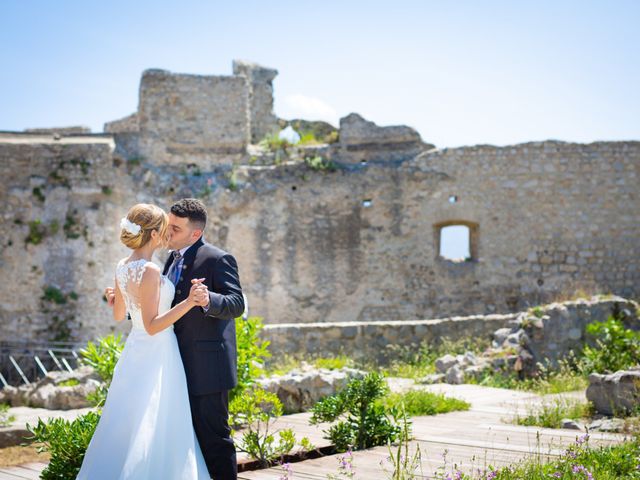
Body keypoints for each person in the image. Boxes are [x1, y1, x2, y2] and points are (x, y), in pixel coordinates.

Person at [77, 203, 211, 479]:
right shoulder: (150, 269)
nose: (167, 234)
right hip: (158, 351)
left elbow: (118, 314)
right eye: (164, 229)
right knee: (157, 419)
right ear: (153, 234)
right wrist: (188, 302)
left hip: (134, 351)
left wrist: (115, 297)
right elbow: (152, 326)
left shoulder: (122, 266)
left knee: (130, 419)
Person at [161, 198, 245, 480]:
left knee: (214, 440)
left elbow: (236, 303)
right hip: (174, 365)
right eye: (168, 224)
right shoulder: (169, 259)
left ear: (195, 233)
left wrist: (209, 299)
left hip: (208, 368)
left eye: (175, 228)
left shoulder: (218, 258)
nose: (167, 232)